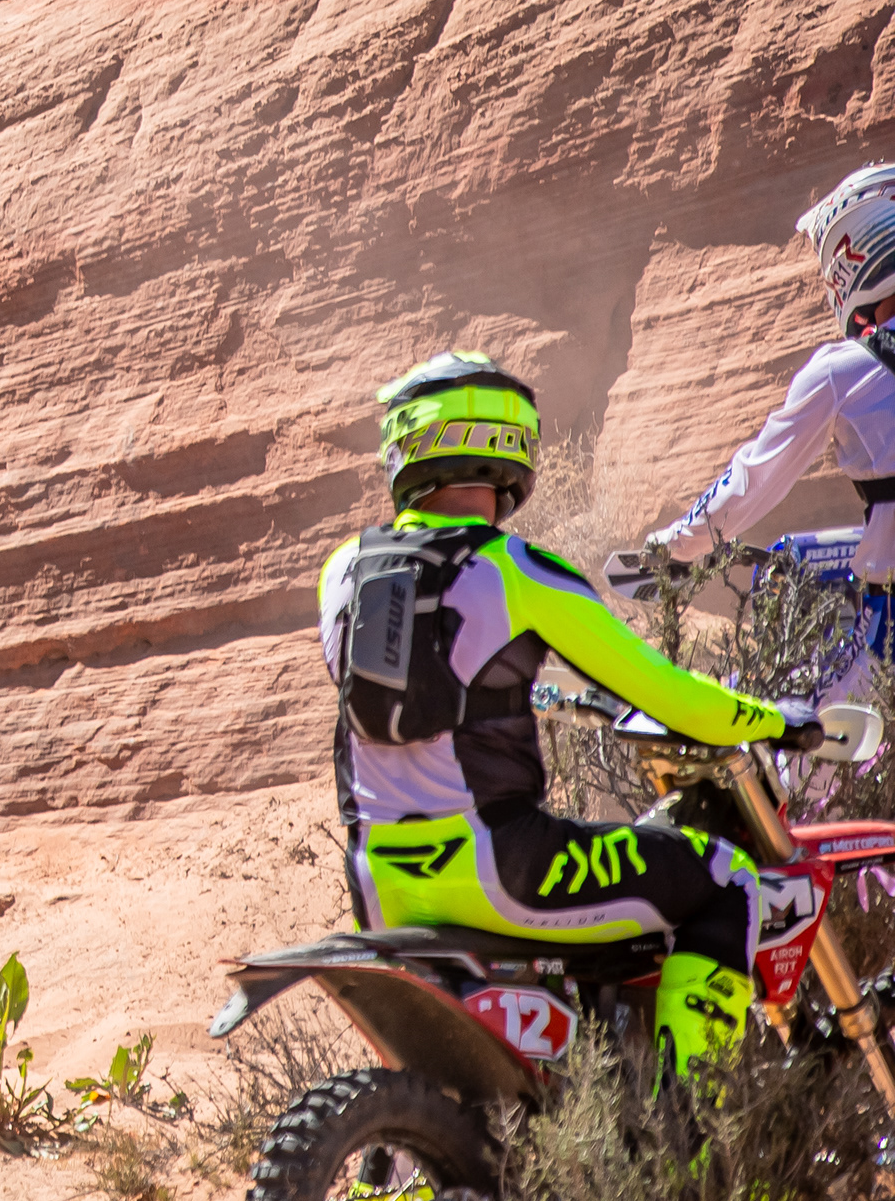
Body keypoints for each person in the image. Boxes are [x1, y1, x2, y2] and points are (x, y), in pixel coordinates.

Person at [320, 350, 813, 1082]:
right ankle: (696, 1126)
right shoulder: (517, 571)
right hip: (503, 870)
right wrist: (773, 721)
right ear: (508, 447)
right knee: (729, 879)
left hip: (378, 883)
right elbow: (670, 696)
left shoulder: (341, 572)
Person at [604, 164, 895, 704]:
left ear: (856, 251)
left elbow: (752, 481)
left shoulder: (844, 371)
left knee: (774, 728)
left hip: (888, 634)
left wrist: (675, 547)